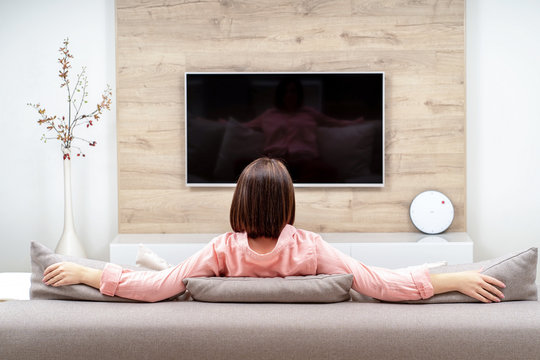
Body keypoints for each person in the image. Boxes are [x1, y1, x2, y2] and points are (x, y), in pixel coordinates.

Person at [42, 157, 506, 303]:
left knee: (167, 272)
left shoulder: (222, 250)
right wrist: (453, 278)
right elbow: (380, 284)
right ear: (288, 201)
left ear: (239, 199)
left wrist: (87, 273)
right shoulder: (309, 248)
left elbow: (156, 288)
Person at [243, 78, 366, 182]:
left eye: (293, 91)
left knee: (329, 173)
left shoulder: (309, 113)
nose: (289, 95)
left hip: (305, 161)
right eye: (285, 92)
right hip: (274, 162)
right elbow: (245, 126)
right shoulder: (268, 115)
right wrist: (226, 123)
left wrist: (356, 122)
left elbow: (334, 122)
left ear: (299, 94)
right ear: (279, 95)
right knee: (242, 166)